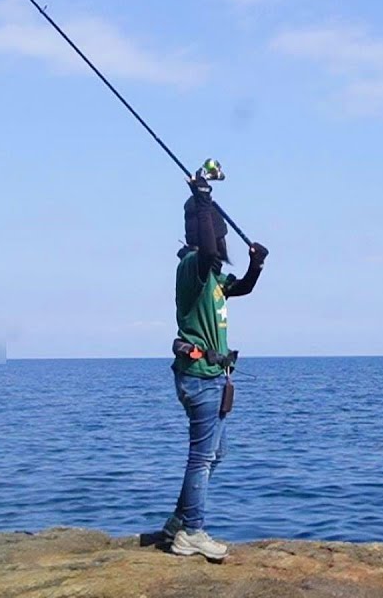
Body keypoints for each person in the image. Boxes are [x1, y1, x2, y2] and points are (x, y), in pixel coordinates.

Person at [160, 167, 268, 560]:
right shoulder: (193, 267)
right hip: (200, 377)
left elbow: (244, 287)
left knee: (214, 455)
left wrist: (256, 264)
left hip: (213, 379)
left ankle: (179, 521)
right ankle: (192, 532)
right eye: (216, 234)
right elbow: (205, 250)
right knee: (202, 456)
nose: (220, 243)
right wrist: (203, 201)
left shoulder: (214, 278)